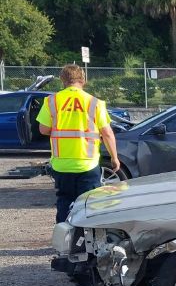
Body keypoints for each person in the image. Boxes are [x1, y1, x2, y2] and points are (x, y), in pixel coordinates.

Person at [36, 64, 120, 223]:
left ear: (63, 80)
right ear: (83, 80)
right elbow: (107, 133)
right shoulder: (94, 102)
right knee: (89, 205)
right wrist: (114, 158)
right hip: (87, 164)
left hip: (61, 164)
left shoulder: (51, 101)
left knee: (64, 202)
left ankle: (64, 240)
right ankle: (87, 241)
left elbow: (43, 129)